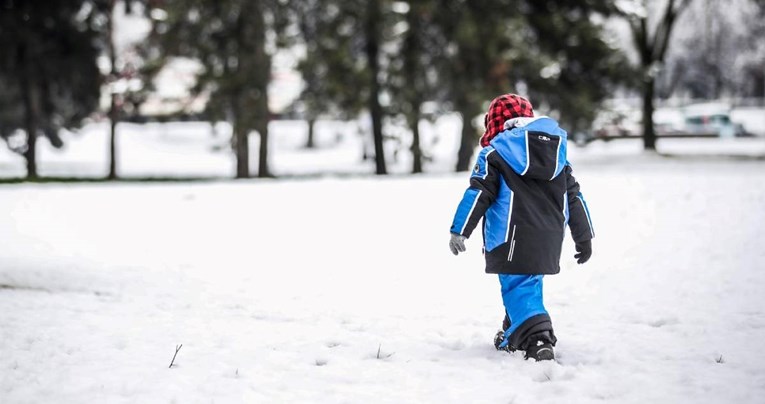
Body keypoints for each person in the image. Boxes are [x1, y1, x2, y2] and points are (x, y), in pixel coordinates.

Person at [448, 93, 594, 361]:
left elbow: (479, 192)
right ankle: (513, 330)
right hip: (550, 238)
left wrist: (460, 229)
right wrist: (584, 238)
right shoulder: (556, 154)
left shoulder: (494, 153)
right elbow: (574, 197)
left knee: (518, 284)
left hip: (510, 237)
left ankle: (538, 338)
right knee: (529, 282)